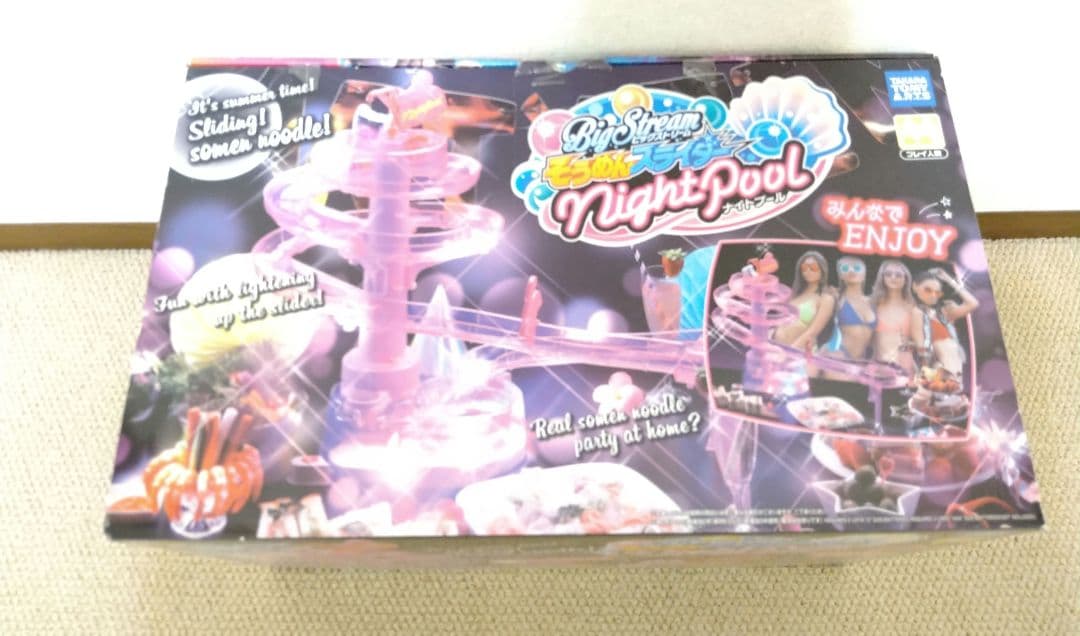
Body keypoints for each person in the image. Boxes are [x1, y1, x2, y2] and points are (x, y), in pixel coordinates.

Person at [910, 267, 978, 376]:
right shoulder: (916, 312)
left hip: (955, 371)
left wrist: (949, 280)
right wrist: (927, 371)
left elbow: (973, 303)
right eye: (928, 290)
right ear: (915, 287)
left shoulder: (943, 313)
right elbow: (921, 346)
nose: (933, 295)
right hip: (942, 372)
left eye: (937, 292)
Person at [773, 251, 837, 355]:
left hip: (800, 354)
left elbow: (813, 331)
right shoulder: (794, 295)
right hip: (778, 350)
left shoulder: (826, 298)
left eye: (813, 267)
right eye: (804, 268)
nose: (808, 271)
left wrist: (789, 352)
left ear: (822, 269)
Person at [870, 259, 916, 373]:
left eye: (898, 275)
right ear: (882, 278)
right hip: (878, 368)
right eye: (888, 274)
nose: (893, 278)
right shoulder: (872, 304)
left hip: (905, 369)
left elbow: (921, 342)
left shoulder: (913, 308)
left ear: (906, 279)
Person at [832, 256, 876, 360]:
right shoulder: (837, 299)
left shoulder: (873, 302)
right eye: (845, 268)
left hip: (863, 360)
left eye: (857, 268)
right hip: (840, 355)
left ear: (864, 275)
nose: (851, 270)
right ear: (841, 276)